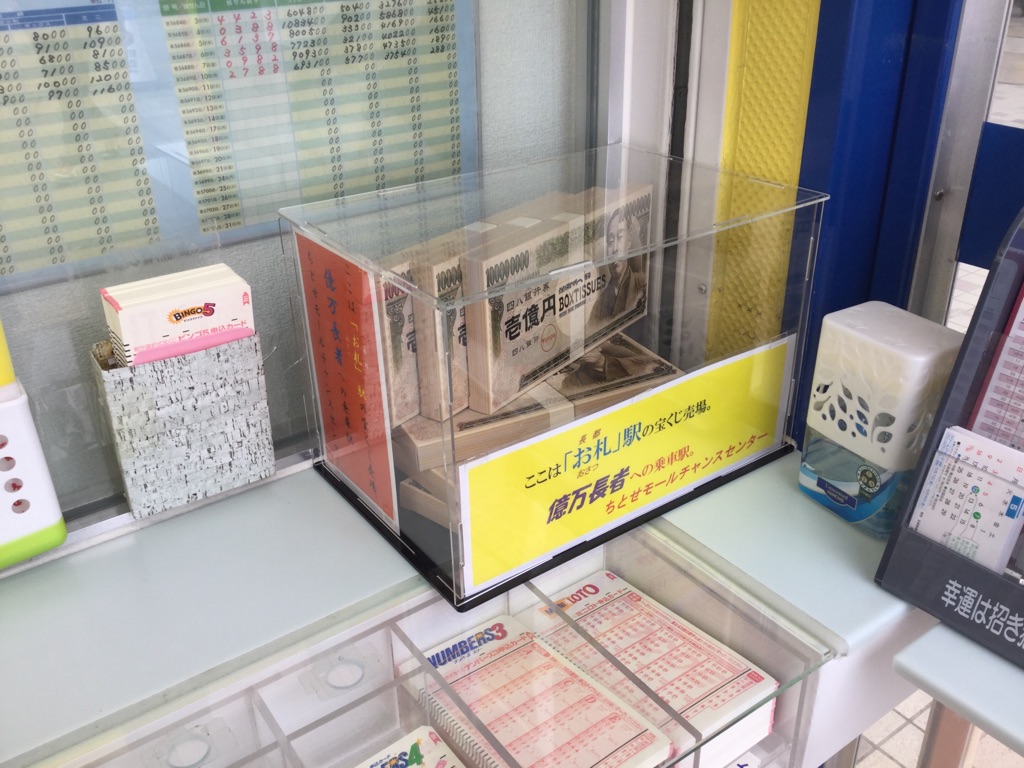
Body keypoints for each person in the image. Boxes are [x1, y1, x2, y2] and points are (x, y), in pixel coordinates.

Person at [588, 206, 647, 328]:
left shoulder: (642, 284)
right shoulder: (597, 308)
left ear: (629, 241)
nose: (614, 248)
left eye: (620, 237)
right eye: (610, 241)